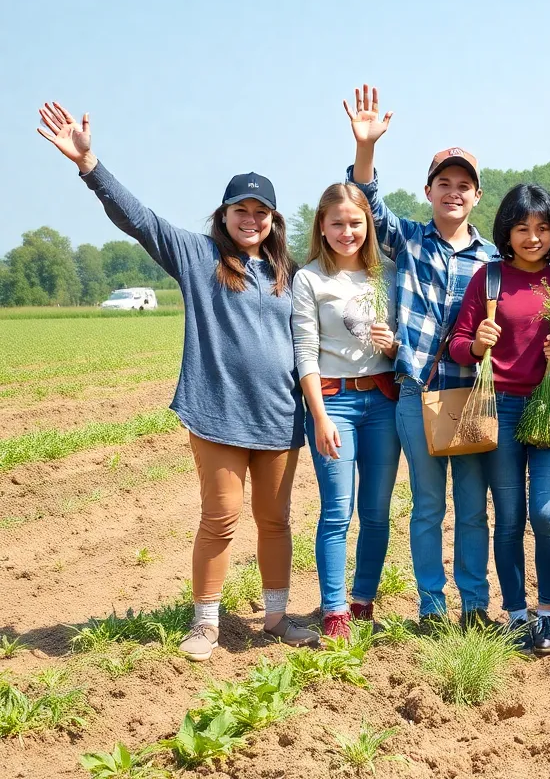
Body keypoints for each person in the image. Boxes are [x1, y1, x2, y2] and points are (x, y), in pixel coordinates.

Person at [37, 102, 317, 661]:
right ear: (225, 213)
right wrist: (90, 165)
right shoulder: (196, 255)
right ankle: (206, 623)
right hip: (216, 412)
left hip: (279, 417)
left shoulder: (290, 273)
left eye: (262, 212)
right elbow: (138, 218)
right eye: (242, 209)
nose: (252, 219)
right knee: (220, 517)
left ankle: (277, 616)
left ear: (274, 221)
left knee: (276, 521)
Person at [343, 85, 498, 632]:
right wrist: (367, 147)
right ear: (428, 190)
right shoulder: (407, 241)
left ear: (477, 196)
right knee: (429, 506)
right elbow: (365, 199)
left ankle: (475, 606)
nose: (453, 193)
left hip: (475, 393)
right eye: (444, 184)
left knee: (474, 509)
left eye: (464, 185)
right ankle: (432, 607)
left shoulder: (493, 259)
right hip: (418, 391)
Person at [450, 184, 550, 654]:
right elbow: (459, 344)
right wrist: (479, 341)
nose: (533, 237)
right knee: (510, 517)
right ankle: (517, 614)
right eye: (522, 228)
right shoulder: (489, 278)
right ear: (507, 231)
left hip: (549, 410)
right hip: (496, 410)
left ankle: (549, 613)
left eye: (542, 228)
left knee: (545, 514)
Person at [292, 183, 401, 640]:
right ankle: (333, 609)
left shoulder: (390, 274)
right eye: (336, 222)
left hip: (382, 402)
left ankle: (362, 602)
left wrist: (394, 345)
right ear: (322, 225)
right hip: (333, 402)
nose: (347, 231)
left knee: (376, 511)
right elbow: (306, 351)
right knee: (337, 510)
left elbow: (406, 345)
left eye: (356, 222)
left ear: (369, 224)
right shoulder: (309, 279)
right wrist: (318, 416)